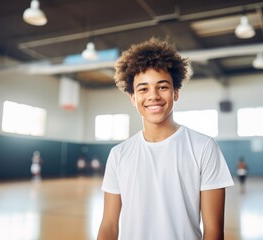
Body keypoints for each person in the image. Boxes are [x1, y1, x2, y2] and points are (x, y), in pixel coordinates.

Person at [97, 38, 234, 240]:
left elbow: (213, 230)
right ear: (133, 98)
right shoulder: (118, 155)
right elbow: (109, 226)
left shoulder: (203, 147)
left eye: (162, 87)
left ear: (175, 92)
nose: (153, 96)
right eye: (143, 89)